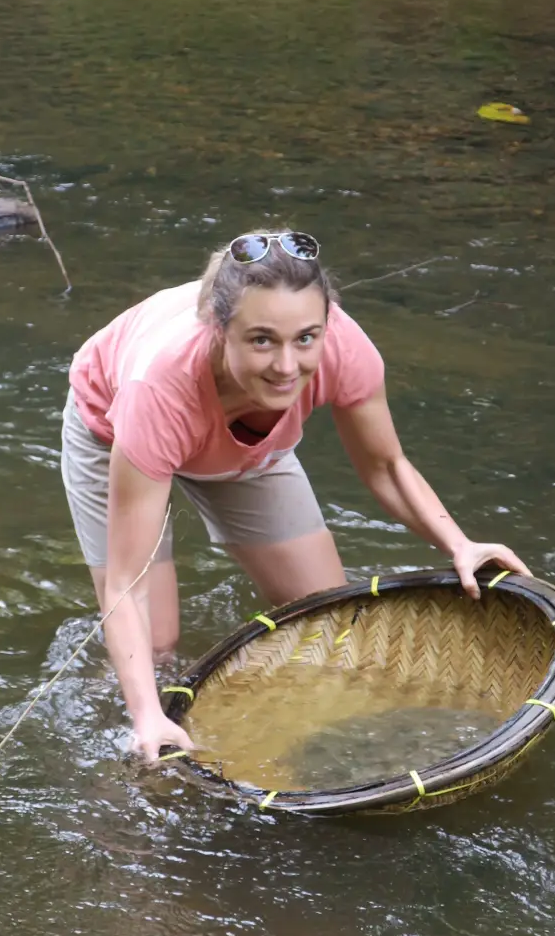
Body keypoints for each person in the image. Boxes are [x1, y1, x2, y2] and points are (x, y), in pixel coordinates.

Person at [63, 231, 529, 761]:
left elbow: (386, 465)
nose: (288, 366)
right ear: (219, 330)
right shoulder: (157, 390)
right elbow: (129, 584)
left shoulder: (342, 348)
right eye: (262, 340)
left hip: (249, 449)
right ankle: (122, 743)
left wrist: (458, 544)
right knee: (156, 649)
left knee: (329, 625)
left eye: (306, 338)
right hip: (114, 430)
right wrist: (147, 716)